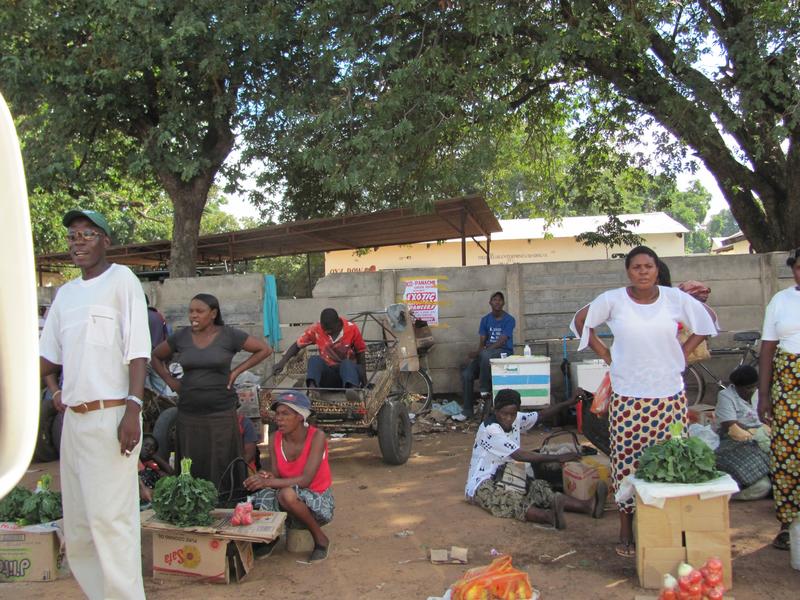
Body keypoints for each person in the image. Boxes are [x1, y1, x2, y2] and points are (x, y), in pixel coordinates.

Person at [571, 245, 717, 558]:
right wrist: (605, 353)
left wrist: (683, 351)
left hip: (669, 397)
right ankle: (626, 525)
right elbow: (582, 322)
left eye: (648, 267)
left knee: (673, 458)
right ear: (628, 271)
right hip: (628, 396)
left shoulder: (674, 298)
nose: (643, 272)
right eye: (636, 267)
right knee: (626, 462)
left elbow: (706, 323)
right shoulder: (613, 300)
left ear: (656, 269)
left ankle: (668, 525)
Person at [39, 209, 150, 600]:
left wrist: (133, 411)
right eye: (72, 236)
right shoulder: (65, 294)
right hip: (73, 422)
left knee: (112, 520)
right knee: (80, 524)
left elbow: (138, 351)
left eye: (87, 234)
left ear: (106, 240)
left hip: (113, 416)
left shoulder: (123, 281)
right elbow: (47, 357)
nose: (77, 242)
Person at [151, 293, 272, 489]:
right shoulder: (181, 337)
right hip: (189, 411)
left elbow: (263, 349)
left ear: (213, 313)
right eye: (191, 311)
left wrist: (236, 371)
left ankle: (225, 502)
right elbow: (156, 356)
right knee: (192, 459)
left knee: (222, 456)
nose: (194, 316)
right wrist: (170, 381)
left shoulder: (229, 335)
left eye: (200, 311)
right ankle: (193, 501)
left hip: (221, 411)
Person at [465, 388, 607, 528]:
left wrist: (568, 402)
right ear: (495, 411)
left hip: (506, 474)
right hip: (482, 484)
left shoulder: (514, 418)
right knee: (510, 501)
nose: (508, 418)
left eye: (512, 414)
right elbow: (519, 455)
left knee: (539, 488)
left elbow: (541, 416)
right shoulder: (490, 429)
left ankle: (588, 506)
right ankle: (549, 517)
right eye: (504, 414)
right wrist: (558, 458)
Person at [245, 391, 334, 562]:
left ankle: (320, 539)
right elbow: (277, 474)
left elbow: (306, 480)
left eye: (286, 414)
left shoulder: (317, 437)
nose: (279, 418)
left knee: (286, 494)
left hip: (317, 498)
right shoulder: (275, 438)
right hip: (289, 495)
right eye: (277, 413)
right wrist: (266, 476)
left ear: (301, 416)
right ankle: (269, 538)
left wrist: (269, 481)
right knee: (255, 494)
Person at [757, 247, 800, 551]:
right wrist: (764, 396)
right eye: (798, 267)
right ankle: (789, 524)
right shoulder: (781, 301)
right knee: (787, 452)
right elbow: (767, 351)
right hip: (787, 384)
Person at [273, 308, 367, 402]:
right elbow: (297, 345)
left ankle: (352, 390)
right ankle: (313, 389)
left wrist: (365, 382)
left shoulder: (351, 329)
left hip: (349, 376)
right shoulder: (317, 329)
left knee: (347, 363)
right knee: (314, 359)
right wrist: (282, 362)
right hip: (328, 376)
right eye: (324, 330)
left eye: (329, 330)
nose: (326, 332)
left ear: (338, 324)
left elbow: (361, 354)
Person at [461, 291, 516, 418]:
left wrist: (484, 352)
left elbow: (502, 340)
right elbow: (482, 340)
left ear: (503, 303)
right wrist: (477, 353)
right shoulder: (485, 320)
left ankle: (484, 388)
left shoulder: (509, 320)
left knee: (485, 355)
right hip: (486, 355)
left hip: (503, 352)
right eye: (494, 299)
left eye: (500, 300)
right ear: (490, 303)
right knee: (466, 374)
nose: (497, 302)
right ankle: (467, 411)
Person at [138, 433, 173, 504]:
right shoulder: (131, 460)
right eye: (146, 445)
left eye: (152, 448)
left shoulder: (150, 465)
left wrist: (153, 456)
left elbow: (171, 475)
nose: (148, 449)